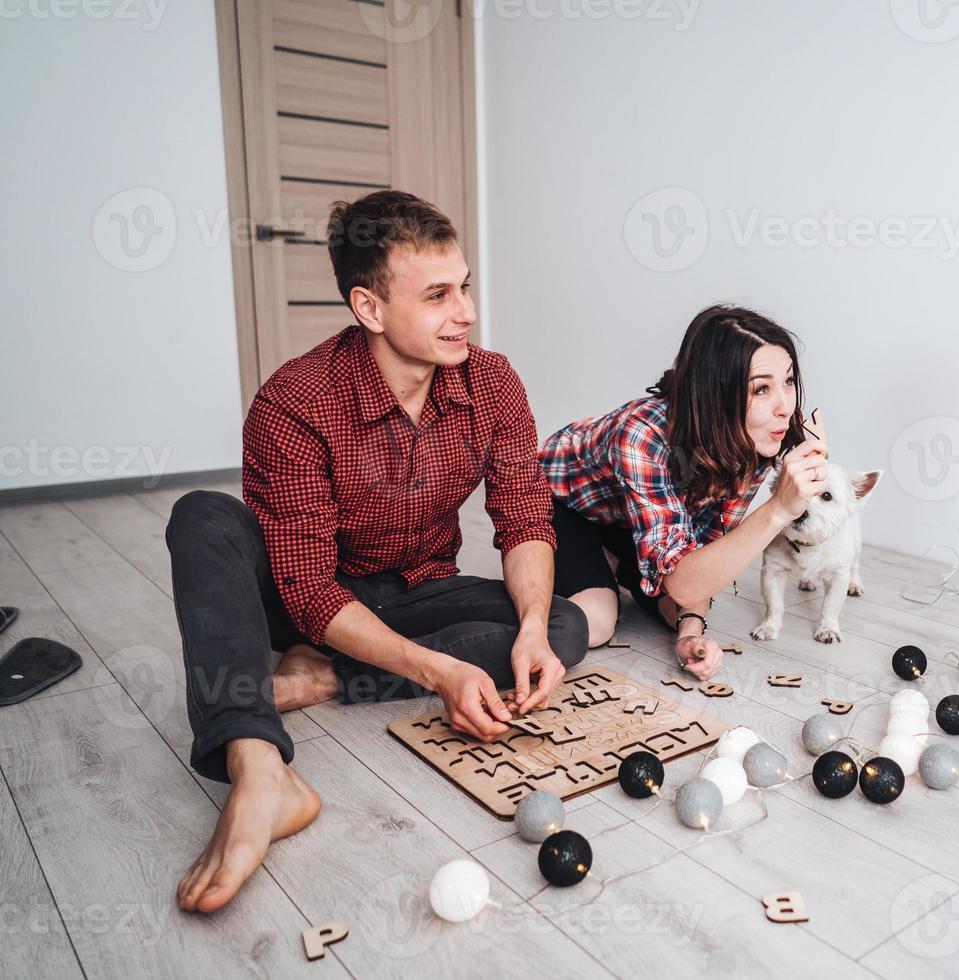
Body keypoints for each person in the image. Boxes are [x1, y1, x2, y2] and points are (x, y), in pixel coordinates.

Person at [166, 190, 587, 912]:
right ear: (369, 309)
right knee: (202, 516)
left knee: (564, 625)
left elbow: (523, 519)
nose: (467, 312)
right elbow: (303, 588)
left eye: (465, 287)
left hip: (418, 588)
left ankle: (328, 682)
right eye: (438, 296)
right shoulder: (294, 401)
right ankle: (260, 770)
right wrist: (439, 670)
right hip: (308, 602)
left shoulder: (493, 382)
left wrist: (530, 629)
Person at [540, 305, 829, 679]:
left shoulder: (755, 438)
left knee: (673, 608)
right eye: (761, 389)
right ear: (715, 394)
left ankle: (614, 556)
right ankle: (596, 559)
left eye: (788, 381)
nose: (785, 408)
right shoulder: (642, 435)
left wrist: (689, 633)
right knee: (596, 622)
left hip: (630, 517)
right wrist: (778, 510)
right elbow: (684, 578)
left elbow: (705, 556)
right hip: (559, 501)